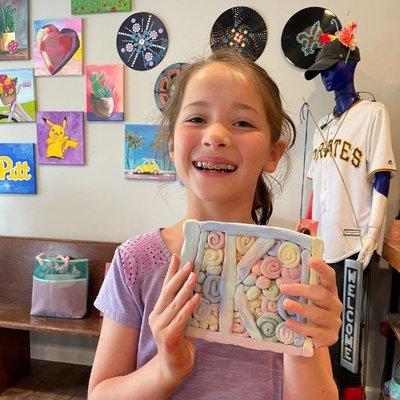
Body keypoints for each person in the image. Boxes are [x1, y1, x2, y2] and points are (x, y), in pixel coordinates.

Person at [88, 49, 342, 400]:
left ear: (273, 153)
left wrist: (300, 341)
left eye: (242, 123)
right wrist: (166, 370)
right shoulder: (135, 263)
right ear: (171, 143)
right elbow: (100, 394)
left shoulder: (295, 268)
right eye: (196, 119)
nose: (216, 135)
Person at [305, 26, 397, 400]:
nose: (326, 76)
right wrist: (306, 230)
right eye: (321, 71)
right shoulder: (322, 127)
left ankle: (351, 392)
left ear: (350, 62)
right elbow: (314, 188)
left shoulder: (373, 113)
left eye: (331, 67)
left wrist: (374, 232)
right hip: (321, 244)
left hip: (353, 243)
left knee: (349, 331)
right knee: (320, 327)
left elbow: (382, 176)